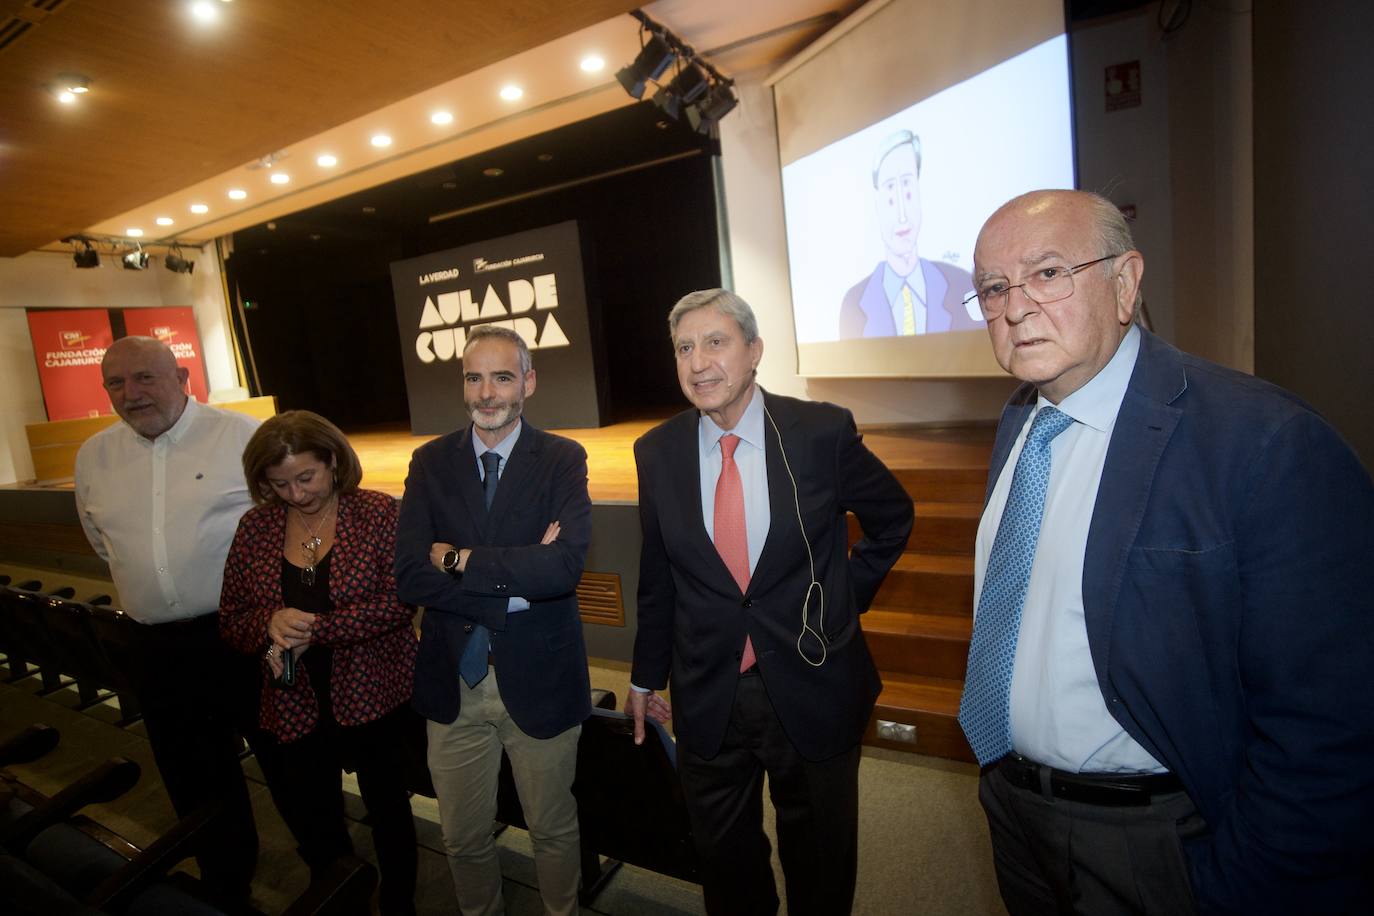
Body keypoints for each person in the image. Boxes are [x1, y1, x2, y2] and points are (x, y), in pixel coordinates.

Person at [958, 189, 1374, 915]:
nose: (1015, 306)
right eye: (993, 288)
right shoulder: (1021, 424)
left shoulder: (1264, 442)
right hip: (1016, 814)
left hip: (1156, 842)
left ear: (1125, 284)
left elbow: (1327, 723)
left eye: (1047, 273)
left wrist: (1233, 887)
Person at [628, 288, 914, 915]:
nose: (698, 362)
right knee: (725, 866)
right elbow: (658, 576)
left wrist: (840, 600)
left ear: (755, 352)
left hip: (812, 681)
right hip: (707, 690)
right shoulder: (657, 451)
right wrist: (646, 676)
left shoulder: (818, 431)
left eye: (716, 342)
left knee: (819, 862)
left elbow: (893, 517)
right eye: (684, 348)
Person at [395, 324, 592, 916]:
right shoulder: (429, 462)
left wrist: (456, 560)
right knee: (462, 838)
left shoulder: (562, 458)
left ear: (527, 382)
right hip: (451, 685)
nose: (486, 392)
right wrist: (512, 588)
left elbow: (562, 570)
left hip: (541, 680)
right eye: (474, 377)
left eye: (502, 376)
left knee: (553, 832)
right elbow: (409, 576)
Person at [74, 335, 260, 902]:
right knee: (193, 778)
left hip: (247, 637)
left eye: (145, 378)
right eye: (116, 383)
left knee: (293, 767)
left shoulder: (242, 437)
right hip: (155, 647)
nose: (131, 394)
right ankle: (227, 886)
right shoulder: (93, 456)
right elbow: (104, 545)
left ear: (182, 377)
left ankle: (332, 879)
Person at [218, 410, 418, 915]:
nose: (295, 494)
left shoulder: (377, 513)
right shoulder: (256, 527)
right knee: (315, 816)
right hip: (291, 699)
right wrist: (269, 622)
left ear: (333, 461)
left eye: (305, 478)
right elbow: (232, 616)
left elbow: (401, 602)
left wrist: (313, 628)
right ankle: (340, 897)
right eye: (278, 483)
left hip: (376, 693)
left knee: (390, 811)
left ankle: (399, 904)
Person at [838, 129, 981, 338]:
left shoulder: (962, 286)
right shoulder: (854, 302)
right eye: (890, 194)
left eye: (907, 189)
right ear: (876, 205)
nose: (902, 216)